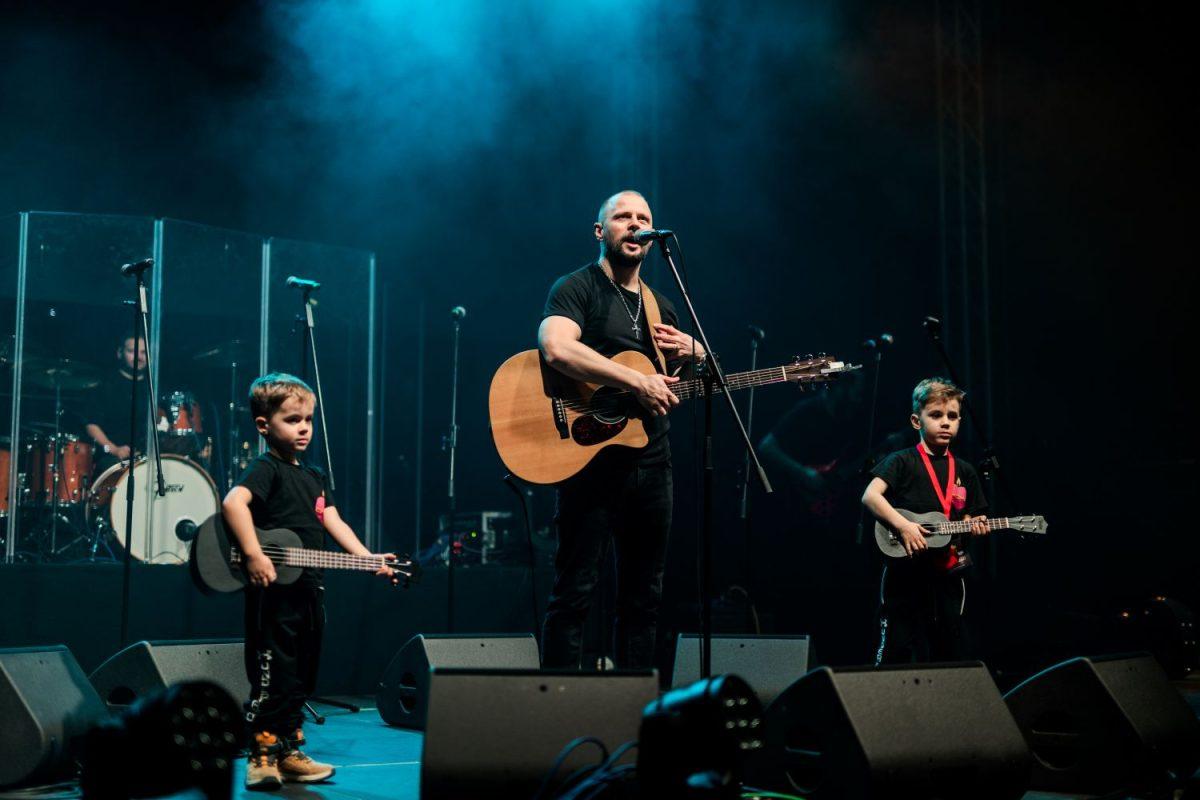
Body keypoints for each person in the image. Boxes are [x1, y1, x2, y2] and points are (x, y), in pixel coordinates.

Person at [538, 189, 705, 670]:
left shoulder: (662, 307)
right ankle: (558, 704)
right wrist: (634, 378)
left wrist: (697, 355)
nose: (635, 224)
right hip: (588, 461)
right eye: (623, 217)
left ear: (653, 237)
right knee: (575, 594)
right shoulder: (576, 288)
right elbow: (555, 349)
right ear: (600, 231)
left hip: (652, 463)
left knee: (644, 597)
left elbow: (674, 388)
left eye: (644, 218)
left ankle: (634, 713)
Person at [222, 372, 396, 791]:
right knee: (273, 674)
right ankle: (261, 754)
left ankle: (288, 749)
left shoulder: (315, 476)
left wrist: (367, 558)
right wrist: (253, 553)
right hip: (274, 593)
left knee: (303, 674)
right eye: (292, 419)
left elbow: (333, 520)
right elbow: (233, 503)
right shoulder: (267, 469)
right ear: (264, 426)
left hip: (310, 588)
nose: (303, 428)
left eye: (308, 420)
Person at [861, 377, 989, 664]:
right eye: (936, 415)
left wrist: (975, 524)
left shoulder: (965, 470)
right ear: (916, 421)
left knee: (950, 646)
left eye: (952, 416)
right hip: (904, 572)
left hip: (947, 574)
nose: (946, 422)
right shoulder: (902, 461)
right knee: (896, 645)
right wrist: (904, 525)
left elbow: (971, 514)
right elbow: (870, 496)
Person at [85, 332, 148, 472]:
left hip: (145, 457)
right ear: (120, 353)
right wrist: (113, 449)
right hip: (111, 456)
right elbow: (91, 426)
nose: (139, 357)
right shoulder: (106, 386)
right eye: (132, 351)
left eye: (144, 352)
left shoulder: (152, 387)